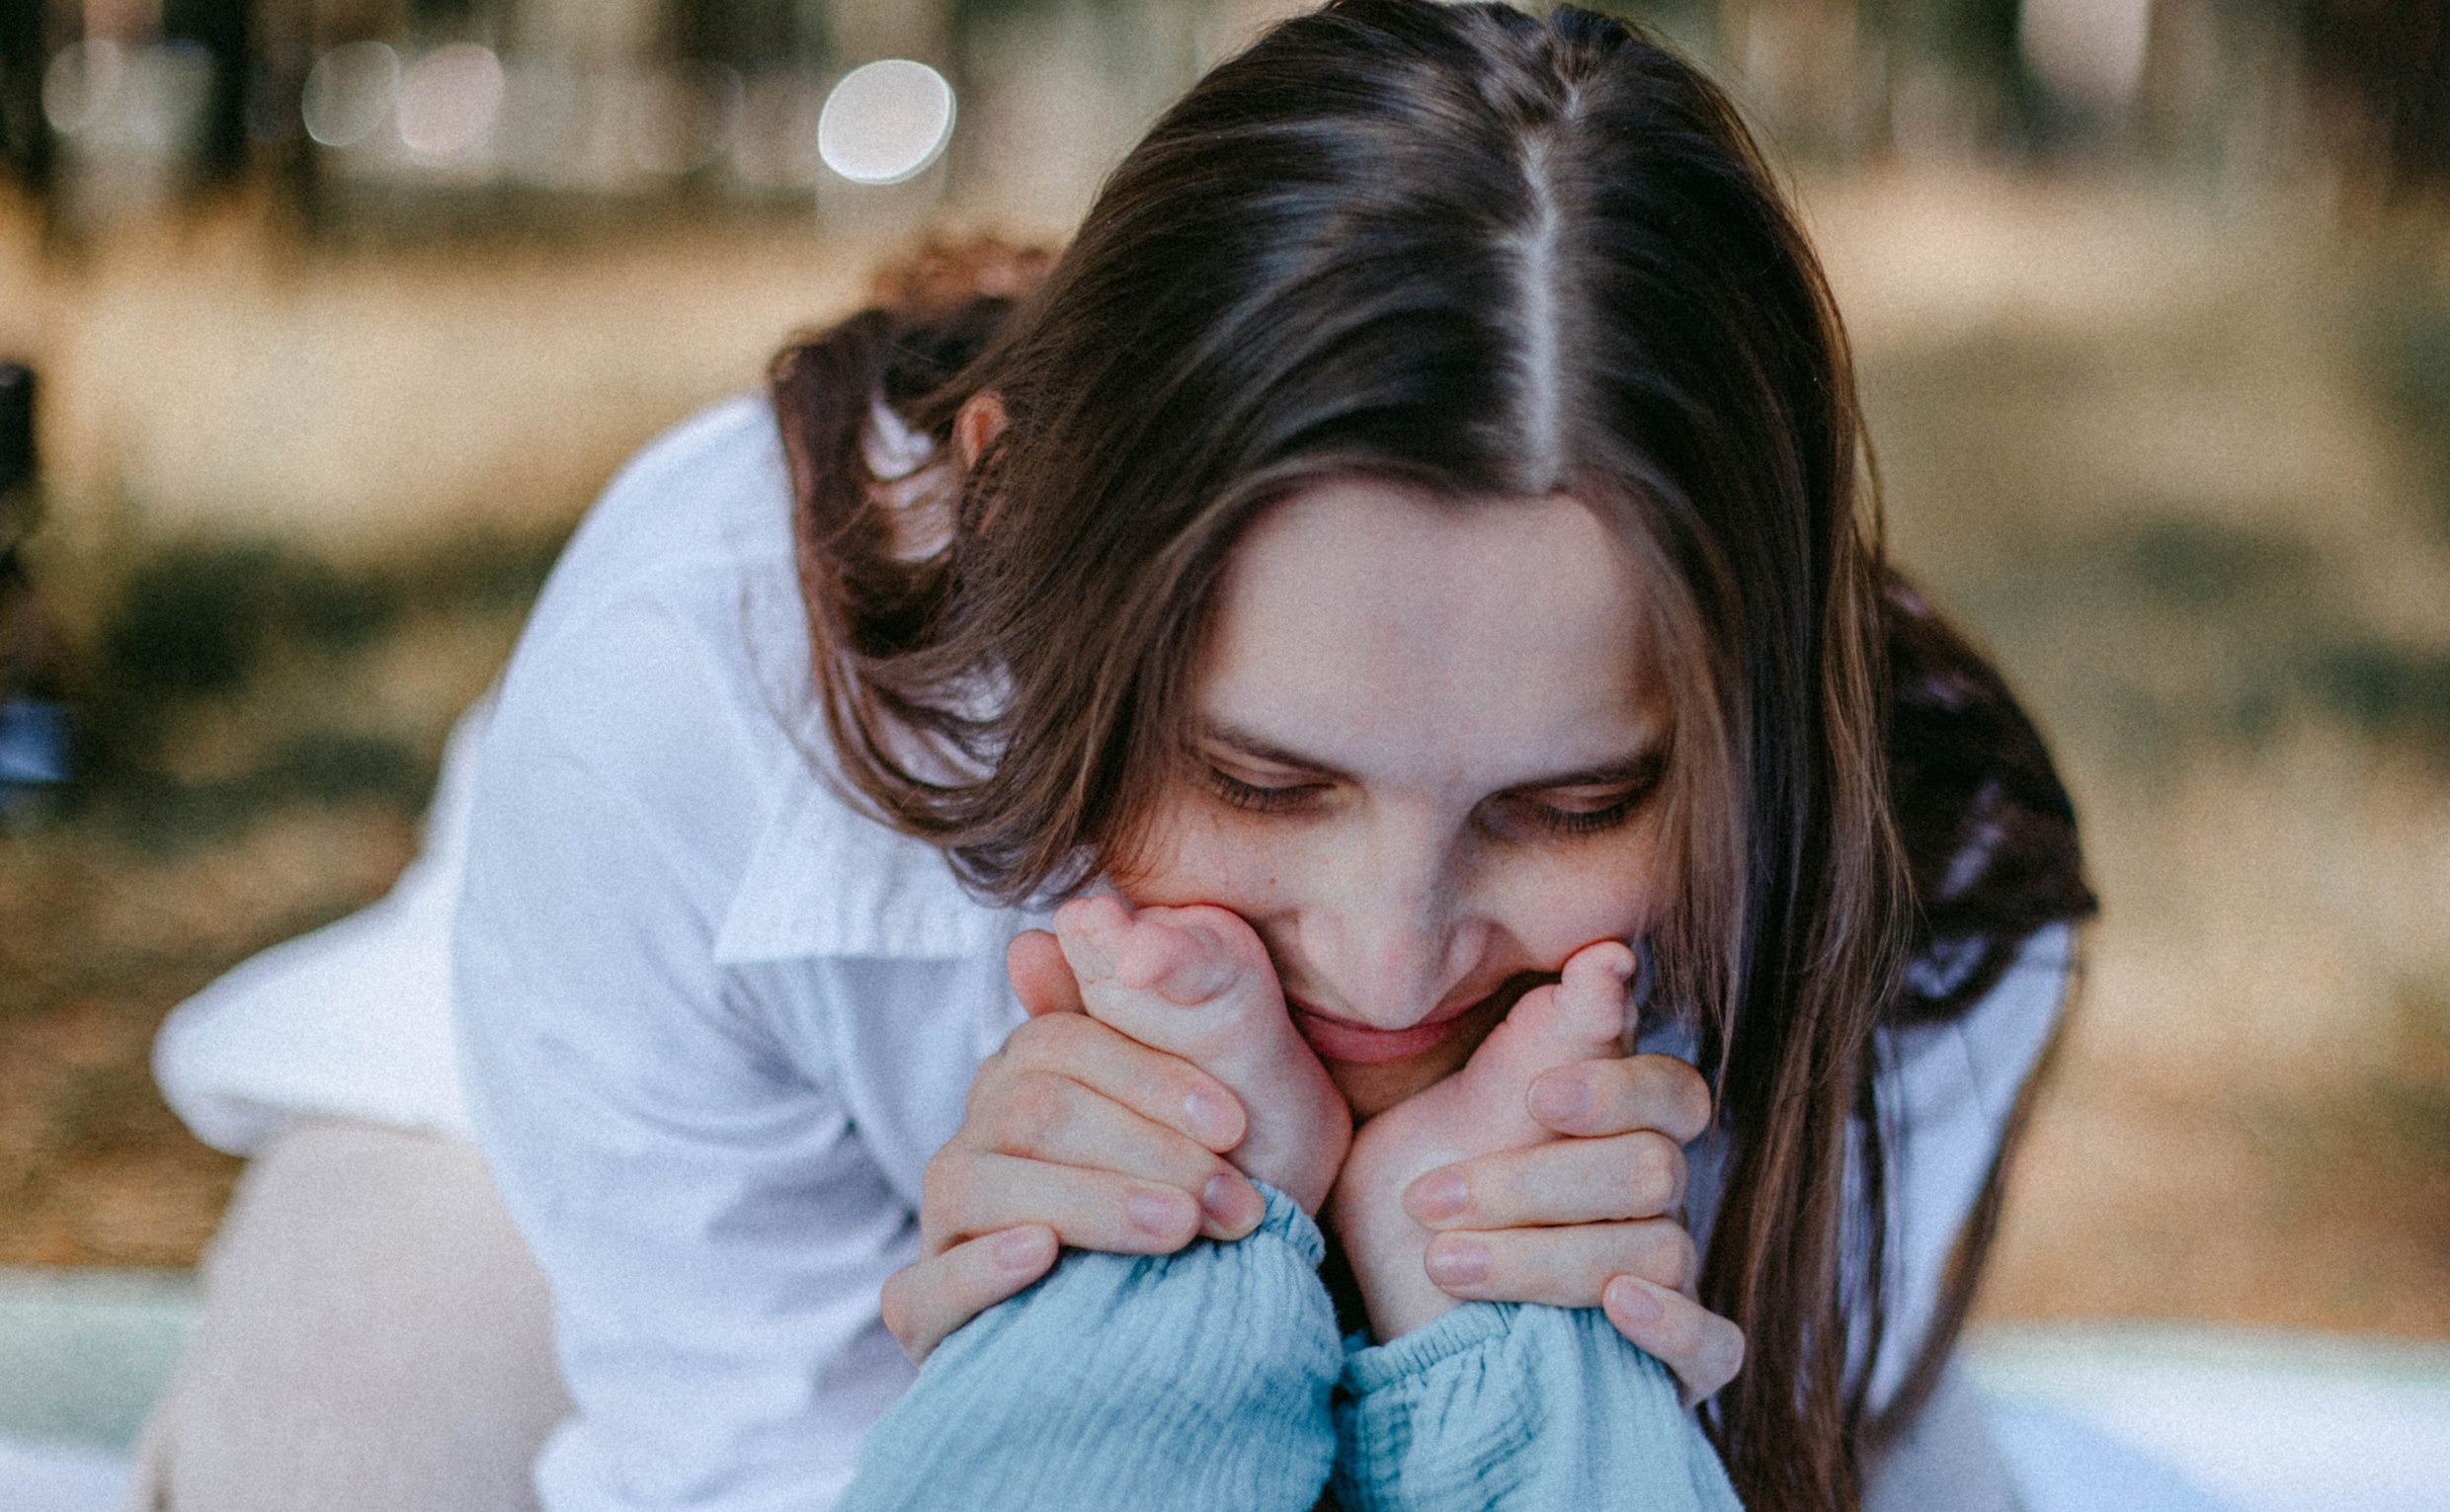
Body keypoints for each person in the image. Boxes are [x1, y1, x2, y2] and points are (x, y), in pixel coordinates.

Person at [136, 4, 2094, 1511]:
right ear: (1025, 549)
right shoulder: (687, 684)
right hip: (567, 1160)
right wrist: (1064, 1332)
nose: (1388, 959)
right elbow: (738, 1459)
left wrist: (1472, 1326)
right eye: (1259, 778)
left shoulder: (1934, 899)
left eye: (1574, 803)